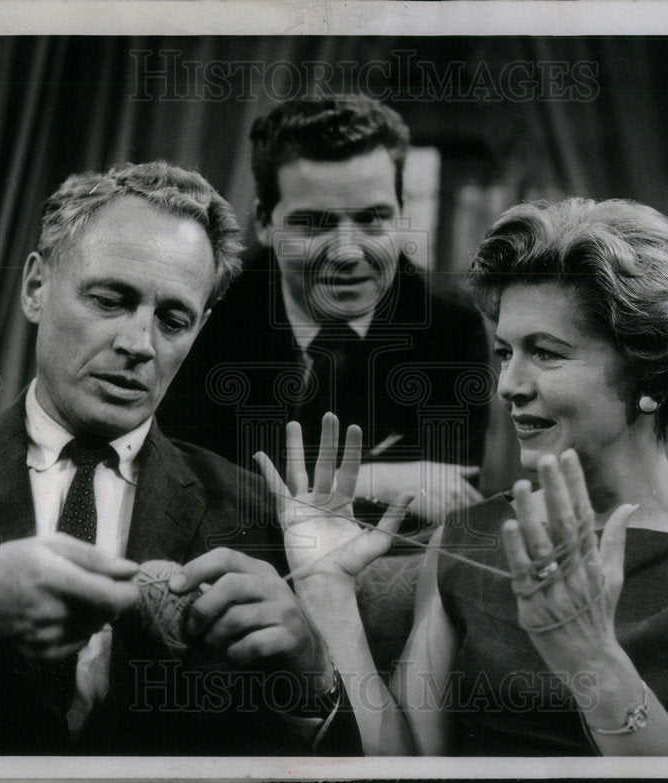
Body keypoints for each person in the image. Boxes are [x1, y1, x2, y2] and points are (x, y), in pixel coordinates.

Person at [247, 198, 668, 755]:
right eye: (504, 353)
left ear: (653, 370)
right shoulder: (467, 535)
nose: (508, 386)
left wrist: (595, 659)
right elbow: (406, 764)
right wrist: (328, 589)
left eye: (545, 353)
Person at [0, 161, 360, 756]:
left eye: (173, 320)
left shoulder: (258, 517)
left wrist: (312, 676)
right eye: (110, 300)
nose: (139, 344)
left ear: (199, 330)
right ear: (35, 288)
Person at [157, 95, 489, 529]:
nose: (349, 253)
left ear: (401, 212)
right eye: (314, 224)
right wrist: (369, 480)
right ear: (263, 222)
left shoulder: (450, 328)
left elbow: (443, 503)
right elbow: (183, 488)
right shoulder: (206, 311)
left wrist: (278, 486)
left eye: (372, 218)